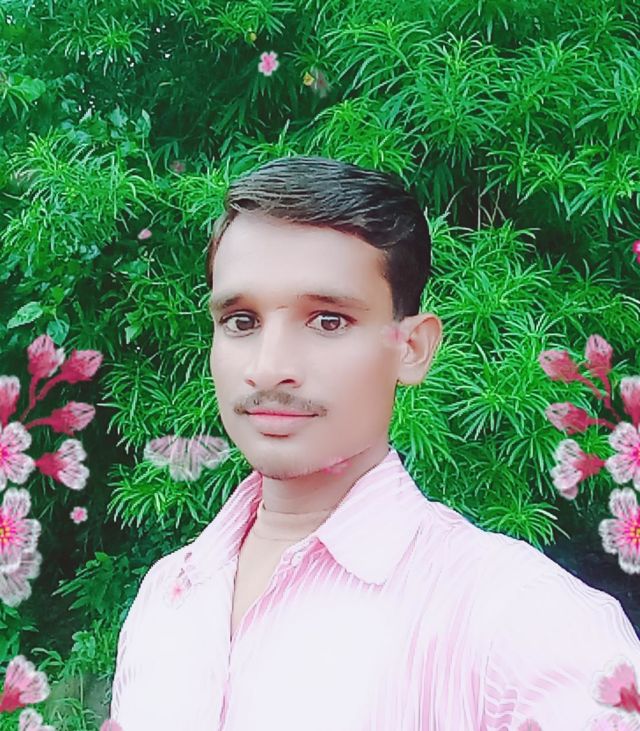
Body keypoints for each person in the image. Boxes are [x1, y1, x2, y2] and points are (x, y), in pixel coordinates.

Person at [109, 156, 640, 730]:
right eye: (241, 320)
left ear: (411, 348)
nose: (267, 368)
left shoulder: (519, 623)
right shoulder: (167, 597)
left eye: (328, 320)